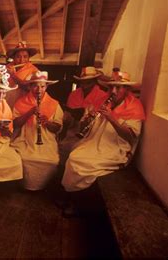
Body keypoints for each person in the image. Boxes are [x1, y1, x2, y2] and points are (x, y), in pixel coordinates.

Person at [61, 71, 145, 216]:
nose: (113, 91)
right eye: (111, 87)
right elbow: (84, 128)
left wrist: (111, 118)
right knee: (74, 154)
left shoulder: (135, 106)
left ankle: (78, 204)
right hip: (95, 142)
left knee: (79, 161)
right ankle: (72, 198)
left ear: (127, 90)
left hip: (116, 148)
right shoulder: (103, 101)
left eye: (119, 88)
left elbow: (130, 137)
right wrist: (88, 120)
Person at [12, 71, 63, 191]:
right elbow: (15, 124)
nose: (38, 89)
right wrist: (30, 112)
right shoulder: (20, 102)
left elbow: (57, 128)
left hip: (46, 139)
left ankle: (43, 187)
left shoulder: (54, 104)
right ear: (29, 86)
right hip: (25, 138)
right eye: (35, 85)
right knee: (23, 158)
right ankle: (26, 186)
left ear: (47, 87)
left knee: (52, 160)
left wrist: (47, 122)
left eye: (42, 86)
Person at [59, 67, 108, 155]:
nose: (84, 86)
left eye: (88, 82)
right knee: (62, 148)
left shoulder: (103, 96)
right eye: (82, 82)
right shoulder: (73, 94)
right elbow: (68, 121)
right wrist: (67, 119)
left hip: (93, 135)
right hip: (73, 132)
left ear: (95, 81)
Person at [5, 41, 40, 107]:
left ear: (29, 58)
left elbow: (29, 89)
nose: (22, 60)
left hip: (23, 104)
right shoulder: (7, 67)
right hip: (7, 102)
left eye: (25, 56)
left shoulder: (34, 71)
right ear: (13, 58)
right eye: (18, 57)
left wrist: (13, 75)